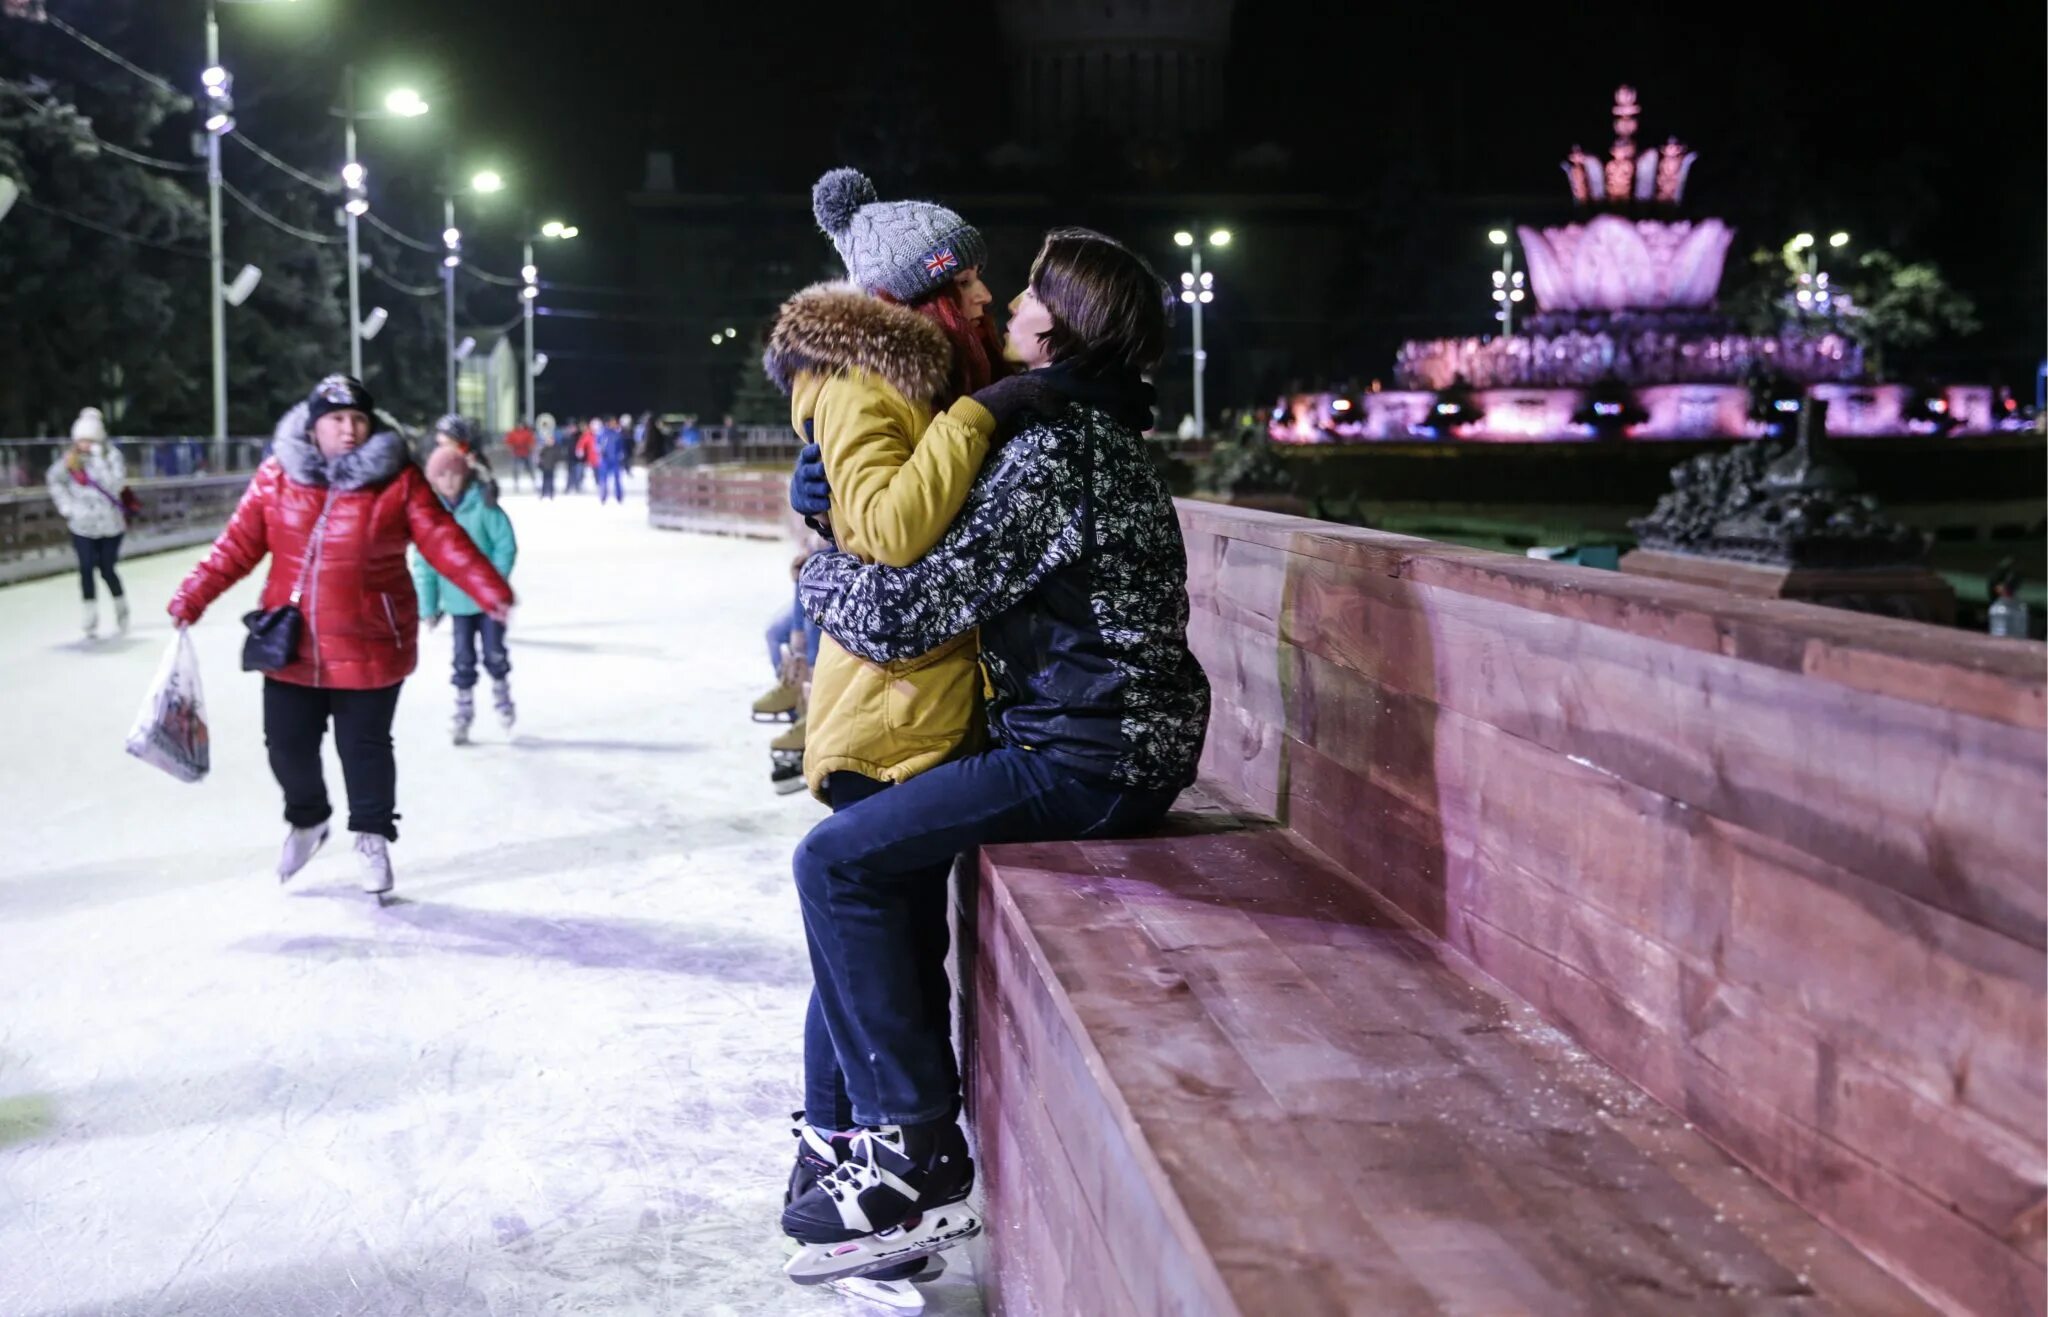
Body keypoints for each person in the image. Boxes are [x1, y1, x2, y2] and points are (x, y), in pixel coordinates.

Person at [777, 229, 1211, 1287]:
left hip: (1089, 756)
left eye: (1017, 296)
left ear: (1052, 326)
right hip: (1105, 738)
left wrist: (817, 560)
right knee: (862, 850)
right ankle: (852, 1141)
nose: (997, 305)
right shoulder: (1086, 430)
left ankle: (914, 1150)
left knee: (834, 864)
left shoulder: (1057, 447)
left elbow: (906, 612)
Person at [766, 169, 1091, 1294]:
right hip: (886, 714)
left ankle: (835, 1165)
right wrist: (977, 415)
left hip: (926, 705)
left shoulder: (928, 376)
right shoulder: (866, 384)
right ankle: (874, 1168)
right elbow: (896, 533)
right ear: (929, 294)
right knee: (876, 950)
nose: (992, 293)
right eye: (972, 279)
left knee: (872, 958)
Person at [166, 375, 514, 900]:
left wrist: (488, 589)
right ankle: (308, 820)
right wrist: (192, 595)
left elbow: (442, 540)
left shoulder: (398, 481)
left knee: (365, 748)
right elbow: (236, 547)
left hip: (371, 638)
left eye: (358, 419)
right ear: (313, 427)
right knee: (286, 746)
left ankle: (372, 836)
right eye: (336, 420)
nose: (349, 429)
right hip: (291, 643)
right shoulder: (276, 478)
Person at [413, 447, 519, 744]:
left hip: (489, 603)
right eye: (441, 475)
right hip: (458, 603)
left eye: (454, 473)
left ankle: (501, 695)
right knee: (462, 658)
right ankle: (463, 709)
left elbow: (504, 545)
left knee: (494, 652)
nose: (448, 481)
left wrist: (492, 584)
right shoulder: (431, 516)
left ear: (465, 474)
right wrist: (429, 606)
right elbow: (425, 564)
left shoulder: (483, 506)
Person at [46, 406, 129, 640]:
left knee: (106, 569)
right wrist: (67, 508)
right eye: (81, 440)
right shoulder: (70, 461)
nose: (84, 444)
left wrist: (98, 460)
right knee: (85, 568)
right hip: (81, 525)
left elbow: (115, 485)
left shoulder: (110, 456)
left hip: (110, 525)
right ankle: (89, 613)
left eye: (89, 439)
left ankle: (121, 605)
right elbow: (54, 480)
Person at [432, 414, 499, 504]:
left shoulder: (473, 456)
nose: (438, 438)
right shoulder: (437, 457)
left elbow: (491, 489)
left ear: (454, 438)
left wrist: (474, 467)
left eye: (443, 435)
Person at [598, 411, 632, 504]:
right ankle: (603, 496)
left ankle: (619, 496)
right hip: (605, 460)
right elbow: (597, 445)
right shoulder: (602, 434)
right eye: (612, 422)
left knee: (617, 478)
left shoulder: (617, 434)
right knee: (603, 478)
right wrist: (600, 451)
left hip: (615, 460)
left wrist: (621, 453)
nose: (614, 424)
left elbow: (621, 446)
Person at [504, 418, 537, 491]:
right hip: (517, 453)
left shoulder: (527, 433)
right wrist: (511, 448)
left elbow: (532, 442)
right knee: (515, 469)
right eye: (519, 425)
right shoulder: (513, 433)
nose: (520, 426)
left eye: (521, 425)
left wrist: (530, 448)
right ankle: (516, 484)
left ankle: (534, 482)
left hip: (526, 453)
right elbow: (508, 442)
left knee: (530, 468)